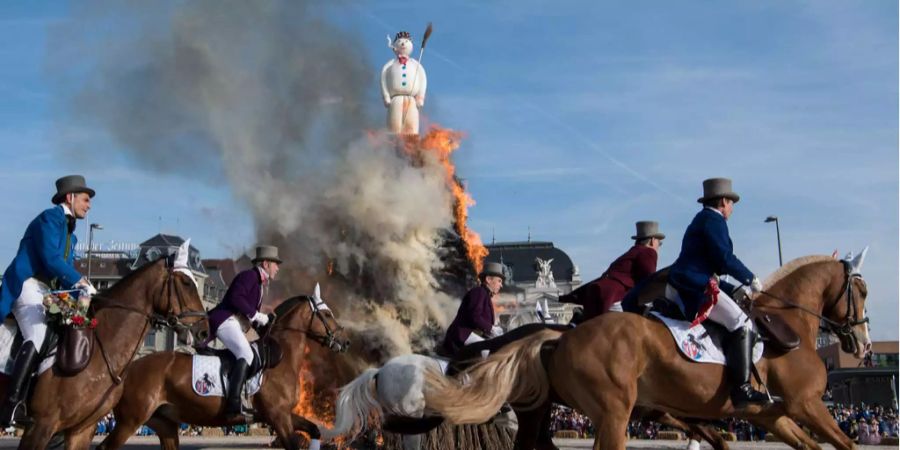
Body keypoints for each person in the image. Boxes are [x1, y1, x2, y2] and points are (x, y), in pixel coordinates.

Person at [0, 175, 98, 426]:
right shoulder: (49, 218)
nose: (89, 205)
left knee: (75, 324)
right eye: (86, 200)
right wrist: (80, 281)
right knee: (39, 332)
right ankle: (11, 405)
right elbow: (50, 259)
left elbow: (63, 273)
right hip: (27, 284)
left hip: (47, 293)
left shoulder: (71, 235)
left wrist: (86, 295)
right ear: (70, 197)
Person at [668, 177, 768, 408]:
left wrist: (735, 289)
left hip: (690, 279)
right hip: (694, 286)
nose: (732, 208)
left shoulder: (701, 219)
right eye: (731, 203)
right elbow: (724, 259)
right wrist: (749, 278)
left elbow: (711, 267)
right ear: (723, 201)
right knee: (741, 323)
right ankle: (742, 388)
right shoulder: (714, 220)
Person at [207, 245, 281, 419]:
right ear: (265, 263)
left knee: (255, 352)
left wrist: (263, 324)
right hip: (225, 319)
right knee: (246, 354)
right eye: (275, 264)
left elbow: (249, 314)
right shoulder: (249, 276)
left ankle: (245, 395)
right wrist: (257, 315)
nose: (278, 268)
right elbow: (236, 298)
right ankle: (233, 403)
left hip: (237, 322)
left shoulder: (260, 283)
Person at [561, 221, 664, 321]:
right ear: (652, 240)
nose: (659, 246)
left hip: (597, 292)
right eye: (659, 243)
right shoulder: (648, 252)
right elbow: (649, 282)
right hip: (613, 297)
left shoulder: (632, 252)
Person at [441, 262, 505, 358]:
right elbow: (474, 316)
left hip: (471, 335)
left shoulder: (484, 294)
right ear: (488, 279)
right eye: (499, 281)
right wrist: (491, 329)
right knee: (490, 354)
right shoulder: (479, 292)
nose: (501, 285)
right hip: (463, 335)